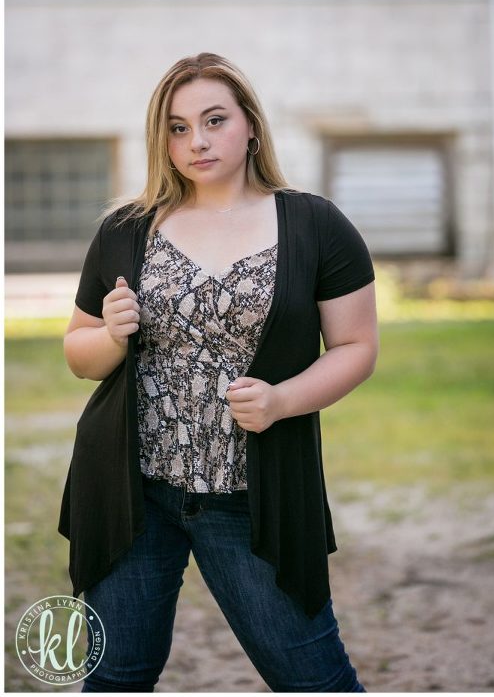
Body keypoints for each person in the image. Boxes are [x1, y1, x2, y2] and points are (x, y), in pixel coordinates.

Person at [60, 53, 378, 692]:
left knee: (312, 677)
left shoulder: (315, 224)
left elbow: (356, 347)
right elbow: (78, 354)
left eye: (214, 120)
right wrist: (113, 336)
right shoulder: (125, 229)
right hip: (131, 490)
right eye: (178, 128)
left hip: (252, 495)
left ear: (250, 125)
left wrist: (282, 400)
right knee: (114, 678)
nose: (197, 142)